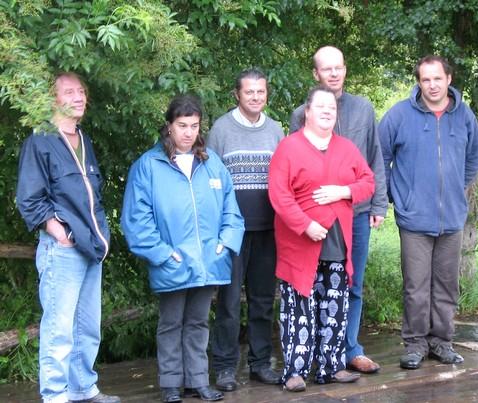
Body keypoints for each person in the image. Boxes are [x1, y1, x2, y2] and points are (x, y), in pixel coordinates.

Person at [121, 95, 244, 403]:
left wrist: (224, 244)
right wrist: (163, 253)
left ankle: (199, 381)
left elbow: (231, 210)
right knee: (171, 323)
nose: (188, 132)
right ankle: (172, 385)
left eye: (194, 125)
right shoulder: (148, 166)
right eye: (182, 125)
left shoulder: (212, 162)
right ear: (169, 126)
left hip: (208, 261)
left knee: (199, 322)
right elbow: (137, 220)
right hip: (172, 262)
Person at [16, 72, 120, 403]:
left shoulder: (83, 139)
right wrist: (58, 231)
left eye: (81, 92)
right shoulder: (40, 141)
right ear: (53, 100)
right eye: (68, 92)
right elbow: (29, 198)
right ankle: (56, 396)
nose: (78, 97)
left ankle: (82, 389)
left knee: (87, 327)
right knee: (59, 330)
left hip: (91, 248)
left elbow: (92, 195)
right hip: (62, 249)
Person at [378, 55, 478, 370]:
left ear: (449, 79)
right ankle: (415, 344)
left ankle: (442, 342)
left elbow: (476, 155)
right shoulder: (399, 115)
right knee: (416, 285)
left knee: (446, 285)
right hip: (414, 219)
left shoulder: (463, 115)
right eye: (425, 79)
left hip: (452, 218)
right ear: (419, 82)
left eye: (437, 78)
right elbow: (379, 157)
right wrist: (394, 196)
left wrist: (456, 185)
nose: (432, 85)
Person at [269, 86, 375, 392]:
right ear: (307, 112)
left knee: (335, 307)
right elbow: (279, 194)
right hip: (301, 243)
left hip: (337, 244)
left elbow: (368, 181)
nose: (328, 111)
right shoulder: (289, 147)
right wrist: (305, 225)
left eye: (332, 107)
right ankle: (294, 371)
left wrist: (344, 191)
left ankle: (331, 366)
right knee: (298, 309)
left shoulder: (346, 148)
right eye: (321, 106)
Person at [290, 46, 387, 374]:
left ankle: (350, 349)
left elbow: (375, 158)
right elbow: (292, 166)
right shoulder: (299, 114)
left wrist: (378, 204)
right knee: (314, 284)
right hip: (315, 217)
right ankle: (317, 353)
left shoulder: (362, 109)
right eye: (326, 69)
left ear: (345, 70)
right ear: (315, 74)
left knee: (351, 283)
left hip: (355, 213)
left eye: (339, 67)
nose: (334, 73)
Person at [207, 68, 284, 391]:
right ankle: (225, 368)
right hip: (232, 231)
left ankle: (260, 363)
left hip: (268, 228)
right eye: (249, 92)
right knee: (227, 303)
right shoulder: (221, 130)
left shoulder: (276, 129)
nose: (255, 97)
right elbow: (210, 181)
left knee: (263, 300)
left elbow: (284, 176)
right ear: (237, 94)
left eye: (261, 92)